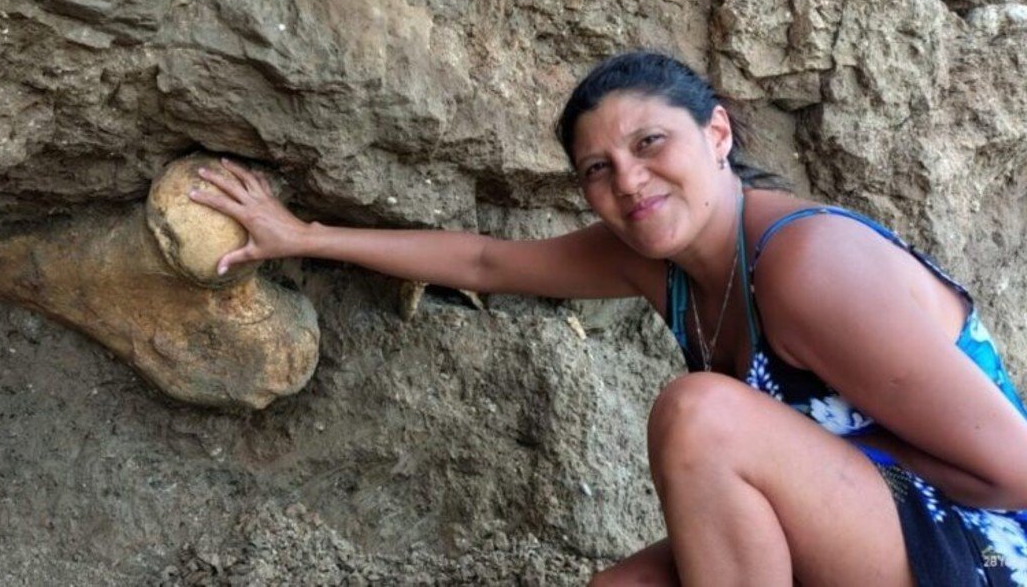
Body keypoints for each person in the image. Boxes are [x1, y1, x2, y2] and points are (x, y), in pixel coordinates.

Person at [188, 51, 1027, 586]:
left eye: (651, 144)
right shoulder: (655, 259)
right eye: (599, 167)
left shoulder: (807, 265)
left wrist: (820, 479)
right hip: (883, 532)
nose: (628, 181)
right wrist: (301, 235)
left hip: (987, 552)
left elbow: (1014, 472)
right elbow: (485, 262)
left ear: (719, 133)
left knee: (703, 417)